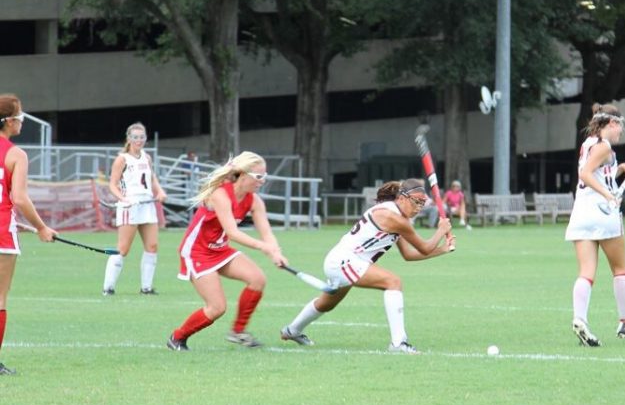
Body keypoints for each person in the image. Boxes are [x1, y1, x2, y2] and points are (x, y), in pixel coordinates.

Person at [280, 179, 454, 354]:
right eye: (416, 201)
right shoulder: (393, 218)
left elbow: (408, 255)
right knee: (393, 282)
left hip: (346, 261)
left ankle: (292, 330)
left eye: (422, 203)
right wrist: (441, 230)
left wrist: (443, 249)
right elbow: (424, 248)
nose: (418, 208)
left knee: (327, 303)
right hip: (345, 260)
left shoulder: (397, 217)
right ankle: (398, 343)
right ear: (402, 197)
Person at [167, 151, 286, 351]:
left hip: (219, 250)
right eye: (258, 176)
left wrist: (276, 252)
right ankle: (177, 337)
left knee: (258, 279)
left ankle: (238, 331)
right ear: (243, 174)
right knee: (217, 308)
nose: (262, 181)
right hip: (197, 252)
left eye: (265, 176)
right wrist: (264, 247)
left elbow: (266, 232)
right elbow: (233, 232)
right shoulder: (220, 194)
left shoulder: (254, 201)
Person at [565, 104, 625, 347]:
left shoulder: (589, 143)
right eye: (621, 126)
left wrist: (622, 167)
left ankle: (580, 320)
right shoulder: (604, 145)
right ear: (612, 124)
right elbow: (587, 175)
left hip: (581, 213)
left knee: (586, 272)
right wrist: (608, 196)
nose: (621, 132)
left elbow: (600, 171)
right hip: (603, 212)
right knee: (620, 269)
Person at [0, 95, 57, 375]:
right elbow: (19, 199)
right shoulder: (15, 154)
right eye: (20, 116)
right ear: (9, 121)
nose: (22, 120)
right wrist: (42, 227)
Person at [102, 123, 168, 296]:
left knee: (152, 246)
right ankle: (108, 287)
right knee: (123, 248)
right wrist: (124, 199)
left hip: (147, 205)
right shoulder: (122, 159)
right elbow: (113, 184)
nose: (139, 141)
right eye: (135, 137)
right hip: (130, 206)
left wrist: (159, 191)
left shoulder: (147, 157)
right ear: (129, 139)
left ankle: (146, 287)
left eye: (142, 137)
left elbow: (152, 178)